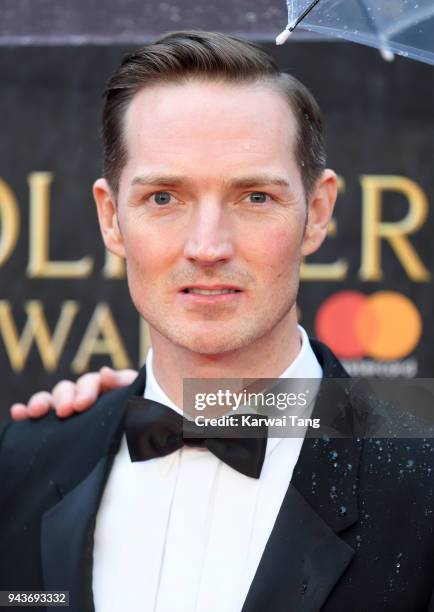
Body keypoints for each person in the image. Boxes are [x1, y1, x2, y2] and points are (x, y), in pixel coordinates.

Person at [2, 30, 434, 612]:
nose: (207, 247)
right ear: (111, 217)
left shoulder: (420, 470)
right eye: (163, 198)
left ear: (318, 213)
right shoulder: (24, 465)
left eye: (255, 197)